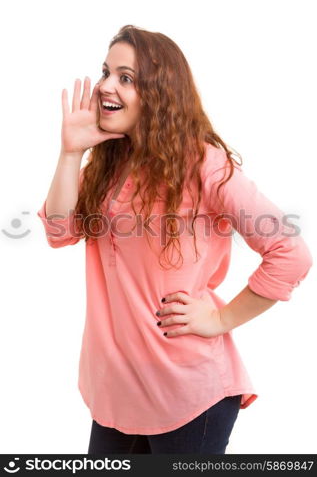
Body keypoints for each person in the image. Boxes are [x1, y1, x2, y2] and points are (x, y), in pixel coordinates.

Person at [37, 25, 313, 454]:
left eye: (126, 77)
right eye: (106, 71)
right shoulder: (109, 161)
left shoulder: (204, 162)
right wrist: (70, 152)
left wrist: (220, 320)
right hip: (116, 392)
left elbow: (289, 254)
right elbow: (59, 231)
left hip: (187, 395)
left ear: (159, 91)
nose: (106, 85)